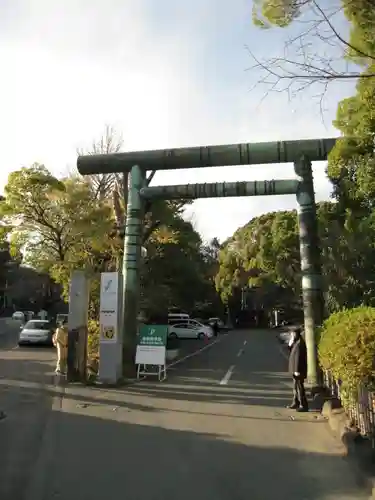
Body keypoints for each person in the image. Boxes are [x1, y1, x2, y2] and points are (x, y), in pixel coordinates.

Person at [287, 327, 308, 412]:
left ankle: (303, 405)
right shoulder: (296, 342)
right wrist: (290, 342)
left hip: (299, 370)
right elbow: (290, 349)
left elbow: (298, 358)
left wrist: (297, 370)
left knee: (300, 387)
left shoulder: (300, 343)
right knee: (295, 387)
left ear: (296, 334)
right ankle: (295, 402)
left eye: (292, 334)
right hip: (296, 370)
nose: (291, 335)